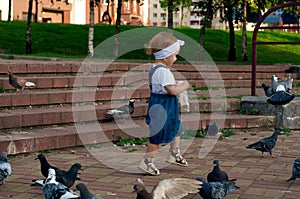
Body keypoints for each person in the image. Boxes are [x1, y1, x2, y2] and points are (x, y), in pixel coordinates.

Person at [138, 32, 190, 176]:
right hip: (164, 107)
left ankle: (174, 152)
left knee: (176, 126)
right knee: (158, 135)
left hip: (159, 103)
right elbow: (172, 91)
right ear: (166, 56)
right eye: (174, 55)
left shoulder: (154, 69)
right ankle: (147, 161)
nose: (176, 58)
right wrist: (185, 85)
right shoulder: (164, 72)